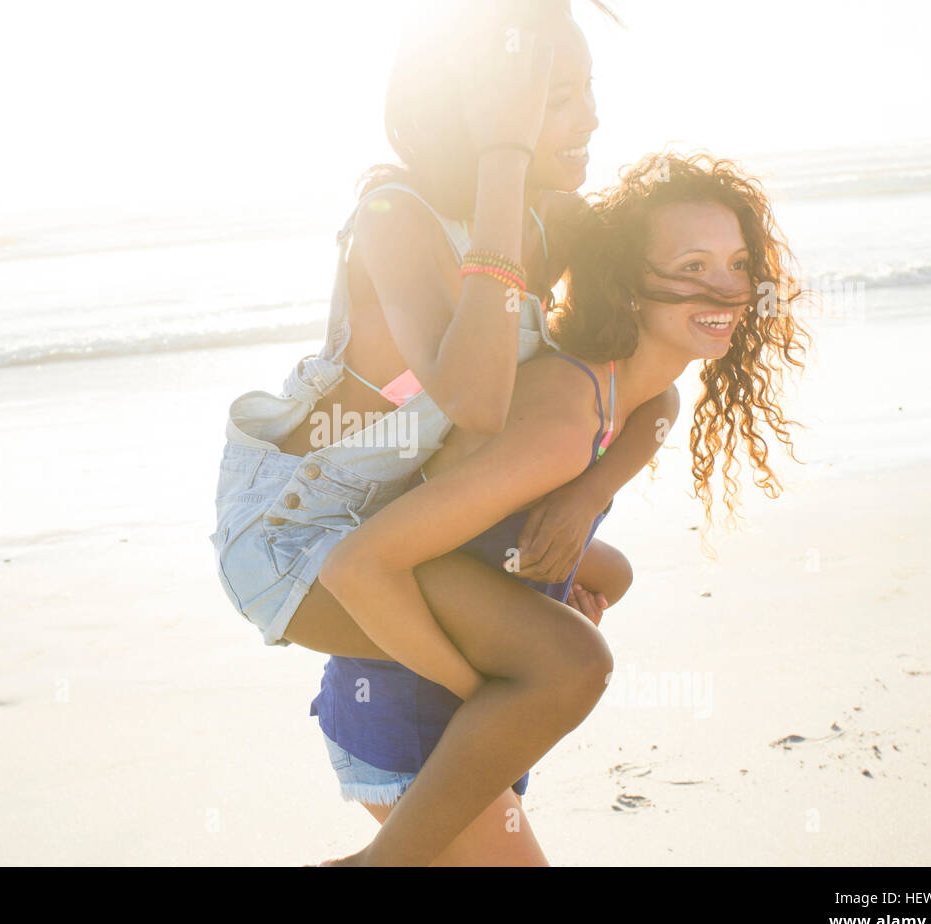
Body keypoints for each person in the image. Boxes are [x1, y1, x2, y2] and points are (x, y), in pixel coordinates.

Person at [210, 0, 679, 866]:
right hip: (292, 535)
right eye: (559, 98)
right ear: (481, 107)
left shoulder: (551, 219)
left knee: (598, 576)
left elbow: (655, 384)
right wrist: (503, 161)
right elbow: (474, 399)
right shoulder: (397, 220)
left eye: (588, 91)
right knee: (562, 666)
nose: (591, 119)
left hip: (390, 522)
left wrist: (589, 494)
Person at [309, 151, 812, 865]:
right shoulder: (562, 422)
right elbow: (356, 565)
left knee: (610, 581)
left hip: (477, 730)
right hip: (411, 718)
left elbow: (624, 449)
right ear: (626, 285)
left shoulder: (636, 402)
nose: (727, 289)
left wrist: (587, 503)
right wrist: (490, 686)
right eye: (692, 267)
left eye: (737, 263)